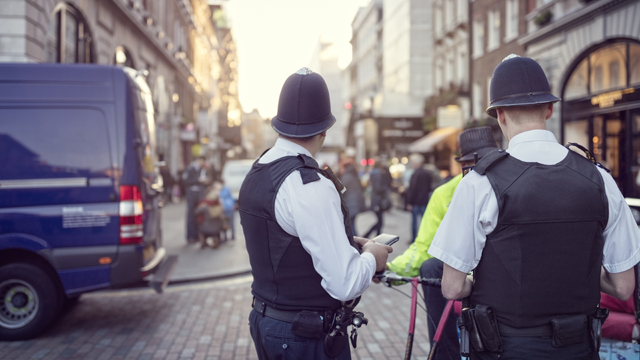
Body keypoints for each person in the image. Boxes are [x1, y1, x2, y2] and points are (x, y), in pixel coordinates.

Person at [429, 55, 640, 360]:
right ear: (549, 109)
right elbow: (623, 287)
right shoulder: (600, 179)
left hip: (504, 348)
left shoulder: (479, 183)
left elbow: (451, 287)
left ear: (499, 115)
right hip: (578, 347)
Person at [239, 67, 392, 360]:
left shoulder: (259, 169)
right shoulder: (309, 184)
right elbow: (345, 284)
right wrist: (373, 256)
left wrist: (345, 242)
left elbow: (283, 238)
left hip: (266, 322)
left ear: (278, 125)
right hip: (303, 336)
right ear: (325, 129)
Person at [385, 126, 499, 360]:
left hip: (499, 272)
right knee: (431, 267)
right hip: (468, 271)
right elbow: (425, 246)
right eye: (470, 166)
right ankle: (445, 355)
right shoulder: (446, 193)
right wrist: (391, 270)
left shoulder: (508, 183)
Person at [405, 153, 433, 242]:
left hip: (416, 202)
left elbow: (412, 189)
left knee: (414, 222)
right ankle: (425, 239)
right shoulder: (427, 174)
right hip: (424, 201)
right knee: (424, 222)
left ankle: (414, 239)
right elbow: (429, 188)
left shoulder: (415, 174)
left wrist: (409, 202)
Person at [182, 156, 207, 243]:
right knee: (191, 215)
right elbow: (185, 180)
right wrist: (198, 180)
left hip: (198, 194)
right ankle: (191, 236)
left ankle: (197, 235)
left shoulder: (200, 170)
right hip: (192, 194)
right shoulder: (190, 169)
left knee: (198, 214)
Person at [363, 162, 392, 238]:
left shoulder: (374, 173)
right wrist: (385, 188)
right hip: (378, 200)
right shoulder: (378, 174)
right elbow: (379, 188)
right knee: (380, 222)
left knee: (380, 221)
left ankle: (373, 235)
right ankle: (371, 235)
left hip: (376, 200)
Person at [340, 160, 366, 236]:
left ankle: (356, 244)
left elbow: (341, 190)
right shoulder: (354, 176)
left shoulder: (347, 177)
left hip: (350, 205)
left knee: (351, 228)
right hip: (355, 205)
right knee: (352, 226)